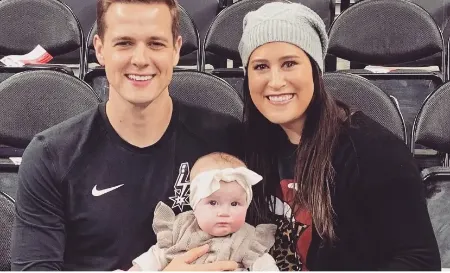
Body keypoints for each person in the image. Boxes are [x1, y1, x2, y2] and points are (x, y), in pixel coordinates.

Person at [11, 0, 240, 271]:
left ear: (176, 49)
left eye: (155, 43)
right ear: (100, 49)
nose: (140, 59)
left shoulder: (225, 141)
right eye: (124, 43)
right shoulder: (51, 156)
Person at [237, 2, 441, 271]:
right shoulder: (245, 144)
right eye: (260, 67)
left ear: (315, 70)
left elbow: (419, 262)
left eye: (289, 63)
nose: (275, 81)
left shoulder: (373, 151)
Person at [129, 152, 278, 271]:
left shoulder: (248, 240)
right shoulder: (180, 229)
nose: (224, 212)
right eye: (213, 203)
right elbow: (153, 258)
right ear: (195, 204)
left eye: (235, 203)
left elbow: (266, 266)